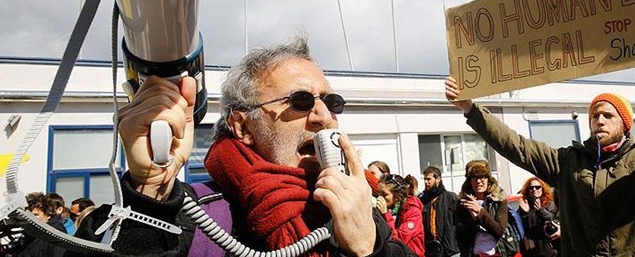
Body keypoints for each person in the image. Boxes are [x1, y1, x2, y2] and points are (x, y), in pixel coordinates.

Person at [73, 36, 415, 256]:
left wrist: (369, 246)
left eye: (332, 102)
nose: (324, 117)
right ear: (243, 126)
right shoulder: (194, 214)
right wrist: (148, 192)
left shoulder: (353, 207)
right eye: (300, 100)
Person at [445, 12, 635, 256]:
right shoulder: (569, 162)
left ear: (625, 124)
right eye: (594, 116)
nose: (599, 121)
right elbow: (515, 145)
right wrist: (470, 108)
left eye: (608, 115)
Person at [455, 160, 519, 257]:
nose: (479, 181)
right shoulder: (462, 203)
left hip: (497, 253)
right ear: (469, 181)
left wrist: (480, 211)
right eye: (474, 178)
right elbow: (461, 236)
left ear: (489, 179)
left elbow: (499, 231)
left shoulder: (499, 200)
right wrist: (473, 218)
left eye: (482, 177)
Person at [376, 174, 426, 256]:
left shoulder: (413, 212)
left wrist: (386, 215)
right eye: (379, 194)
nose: (380, 198)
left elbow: (399, 241)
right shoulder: (395, 209)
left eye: (384, 194)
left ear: (396, 196)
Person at [419, 165, 460, 257]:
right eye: (424, 179)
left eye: (429, 179)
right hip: (431, 250)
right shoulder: (423, 200)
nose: (426, 182)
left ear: (438, 179)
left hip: (451, 250)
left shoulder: (450, 198)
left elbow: (460, 223)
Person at [517, 177, 559, 257]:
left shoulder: (550, 202)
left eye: (537, 187)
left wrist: (540, 210)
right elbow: (520, 226)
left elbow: (553, 219)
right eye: (531, 188)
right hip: (532, 250)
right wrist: (526, 213)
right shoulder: (525, 204)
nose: (534, 190)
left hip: (549, 249)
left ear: (543, 188)